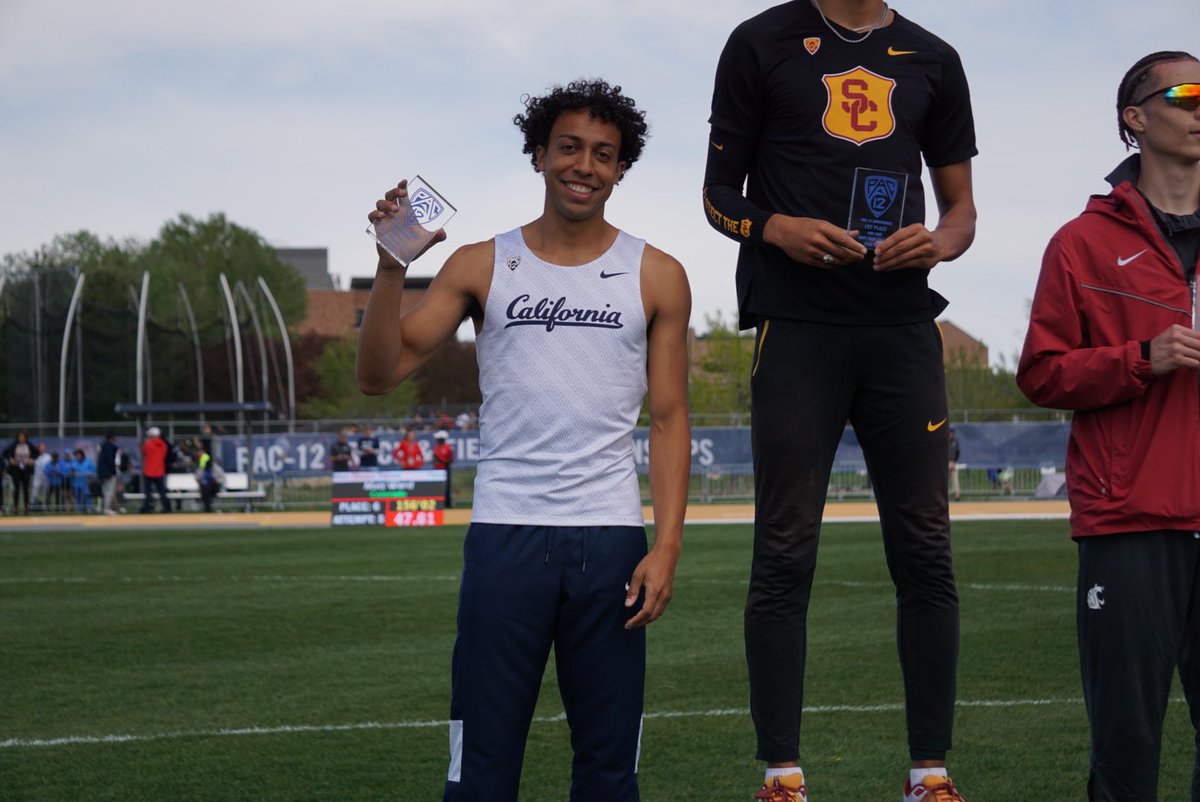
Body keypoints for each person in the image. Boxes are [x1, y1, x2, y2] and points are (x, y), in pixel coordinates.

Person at [357, 78, 691, 802]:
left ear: (622, 168)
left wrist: (665, 546)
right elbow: (379, 373)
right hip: (505, 536)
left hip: (609, 542)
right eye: (569, 147)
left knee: (609, 768)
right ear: (538, 154)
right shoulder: (481, 263)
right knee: (481, 765)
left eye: (605, 154)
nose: (585, 165)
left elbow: (669, 418)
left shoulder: (658, 274)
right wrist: (391, 269)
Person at [703, 2, 978, 799]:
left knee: (926, 551)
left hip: (900, 330)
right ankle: (781, 774)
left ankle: (931, 774)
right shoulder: (760, 41)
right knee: (785, 550)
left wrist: (943, 240)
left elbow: (960, 212)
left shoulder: (933, 55)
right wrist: (775, 227)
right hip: (796, 327)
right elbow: (719, 195)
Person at [1015, 51, 1200, 801]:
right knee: (1127, 746)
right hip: (1131, 520)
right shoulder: (1082, 243)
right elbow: (1041, 372)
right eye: (1187, 93)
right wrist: (1139, 359)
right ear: (1136, 117)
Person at [3, 430, 36, 515]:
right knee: (16, 488)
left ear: (25, 438)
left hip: (25, 469)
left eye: (23, 437)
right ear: (17, 438)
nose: (21, 438)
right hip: (16, 469)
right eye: (20, 437)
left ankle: (26, 507)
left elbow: (36, 452)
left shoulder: (29, 445)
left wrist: (31, 460)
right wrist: (10, 460)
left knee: (25, 488)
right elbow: (5, 452)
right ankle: (16, 507)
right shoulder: (13, 445)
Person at [140, 426, 170, 514]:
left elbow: (144, 452)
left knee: (148, 491)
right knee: (162, 491)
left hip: (149, 471)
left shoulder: (148, 444)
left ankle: (148, 507)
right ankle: (166, 507)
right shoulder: (163, 445)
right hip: (159, 470)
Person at [194, 446, 224, 513]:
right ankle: (208, 508)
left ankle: (207, 508)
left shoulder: (216, 468)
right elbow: (197, 477)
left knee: (210, 483)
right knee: (206, 487)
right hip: (206, 488)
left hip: (214, 487)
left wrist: (215, 480)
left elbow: (221, 479)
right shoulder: (203, 468)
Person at [97, 431, 120, 515]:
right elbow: (110, 460)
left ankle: (105, 508)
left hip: (102, 472)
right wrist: (113, 471)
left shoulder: (102, 446)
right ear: (111, 438)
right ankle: (107, 508)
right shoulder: (110, 447)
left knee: (105, 490)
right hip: (108, 472)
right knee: (109, 491)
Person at [432, 430, 455, 509]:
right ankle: (438, 504)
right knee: (437, 487)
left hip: (445, 469)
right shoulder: (436, 447)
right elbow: (434, 458)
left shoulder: (448, 447)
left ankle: (447, 504)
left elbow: (450, 460)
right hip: (437, 470)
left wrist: (441, 460)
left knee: (447, 487)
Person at [70, 448, 96, 513]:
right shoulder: (74, 462)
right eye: (76, 455)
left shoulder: (88, 461)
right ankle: (79, 509)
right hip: (76, 482)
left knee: (87, 495)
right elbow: (71, 470)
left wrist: (90, 472)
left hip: (85, 482)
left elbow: (93, 470)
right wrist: (72, 472)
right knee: (78, 496)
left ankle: (88, 508)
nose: (77, 456)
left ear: (82, 455)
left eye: (78, 455)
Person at [31, 443, 50, 512]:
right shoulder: (35, 456)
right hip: (37, 477)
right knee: (35, 491)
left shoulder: (48, 457)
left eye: (43, 448)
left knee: (45, 493)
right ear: (38, 449)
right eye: (40, 448)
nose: (41, 449)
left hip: (46, 478)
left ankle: (46, 507)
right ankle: (34, 506)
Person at [947, 428, 961, 502]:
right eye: (949, 432)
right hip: (946, 463)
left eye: (952, 433)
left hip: (953, 462)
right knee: (944, 480)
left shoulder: (956, 442)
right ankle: (944, 496)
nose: (950, 434)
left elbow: (958, 452)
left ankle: (957, 495)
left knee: (955, 479)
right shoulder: (945, 441)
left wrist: (954, 462)